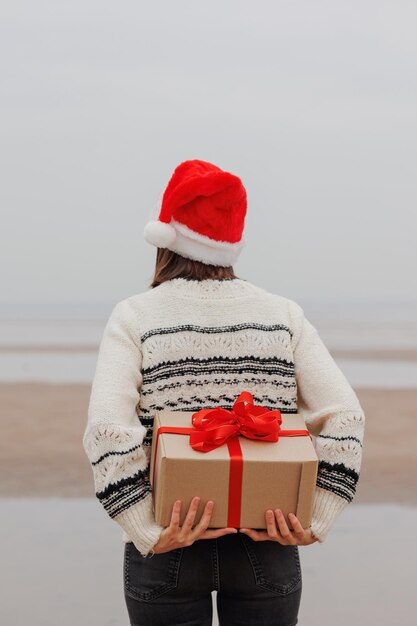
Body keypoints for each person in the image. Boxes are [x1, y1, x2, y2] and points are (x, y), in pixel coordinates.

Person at [82, 159, 366, 626]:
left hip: (169, 537)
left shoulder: (135, 315)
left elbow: (108, 429)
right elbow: (346, 416)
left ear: (167, 239)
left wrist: (143, 526)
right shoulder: (283, 314)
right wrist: (316, 516)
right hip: (268, 536)